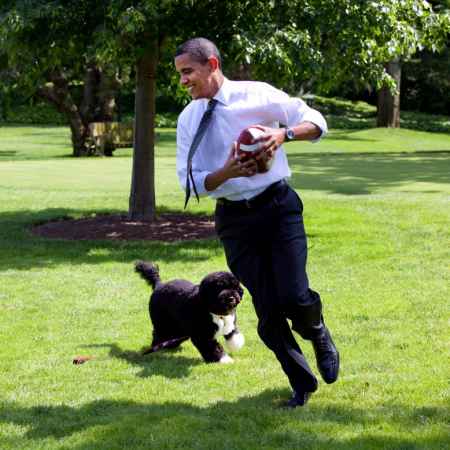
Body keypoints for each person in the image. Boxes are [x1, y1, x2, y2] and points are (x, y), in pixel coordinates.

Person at [175, 37, 339, 407]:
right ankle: (301, 385)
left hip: (278, 208)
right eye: (180, 74)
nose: (184, 81)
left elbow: (317, 121)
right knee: (267, 312)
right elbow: (189, 181)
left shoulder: (257, 95)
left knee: (294, 297)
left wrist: (283, 134)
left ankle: (318, 332)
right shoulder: (188, 119)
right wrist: (226, 172)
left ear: (212, 65)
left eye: (189, 72)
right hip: (234, 222)